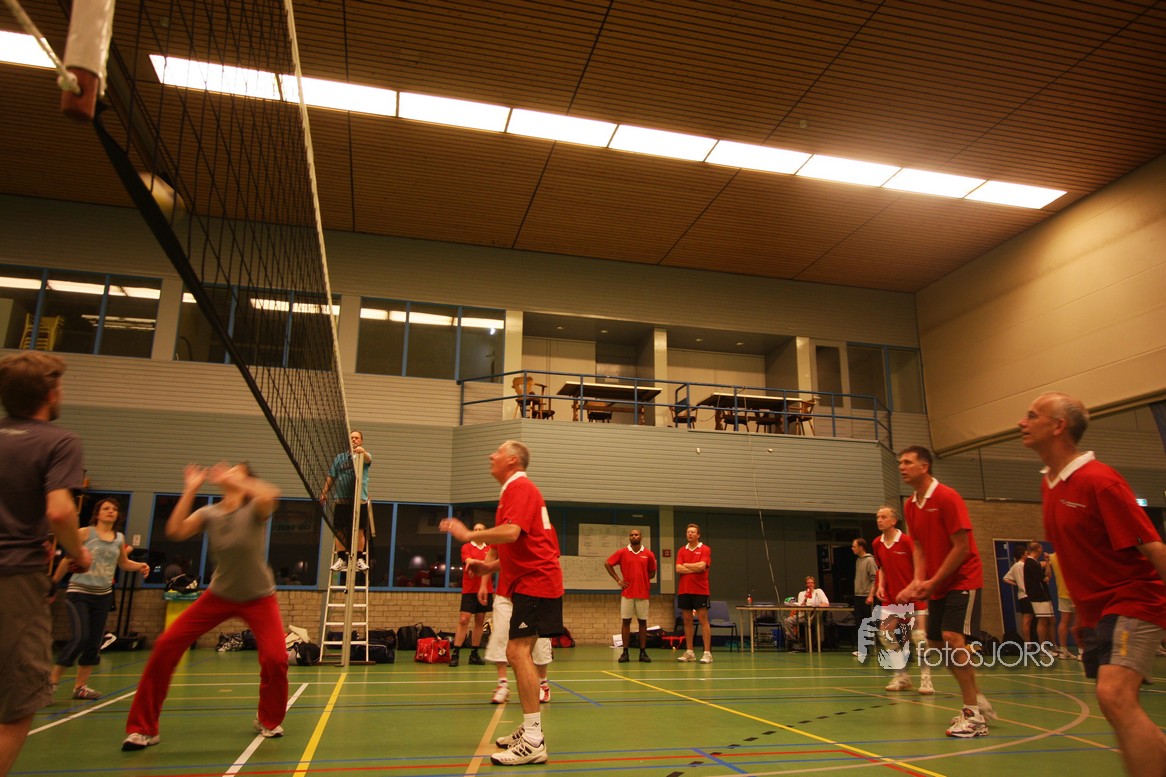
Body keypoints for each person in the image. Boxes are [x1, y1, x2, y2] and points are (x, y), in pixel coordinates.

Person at [1020, 391, 1166, 777]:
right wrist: (1087, 619)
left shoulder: (1100, 481)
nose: (1022, 422)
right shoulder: (1050, 485)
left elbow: (1153, 546)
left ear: (1058, 426)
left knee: (1114, 696)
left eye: (1032, 415)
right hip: (1098, 613)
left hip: (1133, 599)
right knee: (1116, 707)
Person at [122, 462, 285, 751]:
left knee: (276, 659)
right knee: (166, 646)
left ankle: (268, 720)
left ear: (246, 480)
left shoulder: (255, 509)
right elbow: (175, 530)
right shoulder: (210, 513)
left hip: (259, 596)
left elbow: (271, 494)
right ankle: (143, 728)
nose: (228, 471)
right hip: (219, 595)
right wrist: (190, 489)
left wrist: (238, 482)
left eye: (236, 470)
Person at [440, 440, 563, 766]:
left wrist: (469, 535)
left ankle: (534, 740)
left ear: (511, 460)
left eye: (497, 452)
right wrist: (489, 568)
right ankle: (530, 728)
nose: (490, 455)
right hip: (530, 581)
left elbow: (510, 533)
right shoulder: (512, 491)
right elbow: (523, 545)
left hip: (537, 582)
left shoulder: (519, 487)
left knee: (517, 652)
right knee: (517, 652)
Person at [0, 352, 91, 777]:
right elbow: (59, 511)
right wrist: (77, 552)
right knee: (17, 706)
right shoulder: (59, 441)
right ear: (51, 394)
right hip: (14, 577)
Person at [896, 445, 994, 739]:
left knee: (953, 638)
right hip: (938, 584)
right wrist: (918, 580)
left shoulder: (948, 497)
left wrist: (933, 581)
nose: (901, 467)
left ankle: (973, 716)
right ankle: (977, 697)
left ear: (924, 466)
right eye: (900, 462)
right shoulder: (911, 505)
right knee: (937, 644)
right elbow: (918, 547)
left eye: (907, 462)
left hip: (963, 579)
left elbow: (962, 548)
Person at [50, 497, 150, 700]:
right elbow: (67, 560)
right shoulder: (84, 533)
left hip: (103, 596)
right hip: (79, 593)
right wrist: (52, 585)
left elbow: (123, 563)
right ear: (97, 513)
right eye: (106, 508)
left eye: (114, 509)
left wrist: (140, 566)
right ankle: (49, 684)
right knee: (80, 638)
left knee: (94, 643)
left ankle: (80, 687)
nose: (110, 511)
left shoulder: (119, 538)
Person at [870, 505, 933, 694]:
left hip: (914, 597)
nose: (879, 520)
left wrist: (912, 587)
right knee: (885, 635)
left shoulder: (906, 541)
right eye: (877, 517)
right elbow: (882, 568)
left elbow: (920, 567)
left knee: (919, 638)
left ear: (893, 521)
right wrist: (881, 586)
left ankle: (926, 679)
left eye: (883, 517)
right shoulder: (877, 543)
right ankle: (901, 676)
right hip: (891, 599)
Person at [319, 430, 372, 572]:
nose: (354, 440)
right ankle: (342, 559)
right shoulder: (340, 458)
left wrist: (362, 452)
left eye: (357, 438)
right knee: (340, 530)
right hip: (342, 500)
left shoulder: (364, 456)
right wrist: (324, 491)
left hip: (359, 500)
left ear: (361, 440)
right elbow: (332, 476)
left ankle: (359, 559)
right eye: (352, 438)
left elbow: (368, 459)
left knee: (360, 530)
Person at [604, 528, 657, 663]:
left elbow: (652, 572)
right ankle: (625, 652)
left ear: (641, 537)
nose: (634, 536)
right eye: (631, 535)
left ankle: (642, 652)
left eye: (636, 534)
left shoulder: (648, 554)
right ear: (629, 537)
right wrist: (618, 580)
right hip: (627, 593)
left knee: (642, 622)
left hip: (643, 593)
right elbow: (607, 563)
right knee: (626, 622)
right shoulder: (622, 552)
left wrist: (642, 579)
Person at [449, 523, 492, 668]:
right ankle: (456, 653)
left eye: (480, 529)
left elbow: (490, 565)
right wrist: (482, 563)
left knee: (480, 621)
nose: (478, 531)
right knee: (464, 620)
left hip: (485, 589)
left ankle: (474, 654)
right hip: (469, 590)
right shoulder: (466, 547)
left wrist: (478, 563)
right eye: (475, 529)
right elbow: (469, 561)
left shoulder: (489, 549)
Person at [675, 523, 713, 664]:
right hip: (684, 590)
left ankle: (707, 653)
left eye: (693, 532)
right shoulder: (681, 550)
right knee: (687, 621)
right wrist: (694, 568)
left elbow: (702, 566)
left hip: (700, 590)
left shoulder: (705, 549)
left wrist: (686, 565)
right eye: (688, 532)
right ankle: (690, 652)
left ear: (698, 535)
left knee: (703, 621)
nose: (690, 534)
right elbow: (678, 569)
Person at [1047, 550, 1082, 659]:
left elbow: (1048, 574)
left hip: (1062, 592)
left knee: (1064, 621)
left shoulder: (1052, 557)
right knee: (1079, 621)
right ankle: (1081, 651)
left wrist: (1047, 562)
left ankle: (1063, 651)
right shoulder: (1073, 552)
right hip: (1076, 592)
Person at [1022, 541, 1055, 650]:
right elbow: (1045, 579)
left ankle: (1052, 645)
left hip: (1043, 596)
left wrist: (1047, 562)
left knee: (1050, 620)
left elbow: (1048, 575)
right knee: (1042, 621)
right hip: (1039, 597)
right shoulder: (1031, 563)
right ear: (1039, 549)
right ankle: (1043, 647)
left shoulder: (1035, 563)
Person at [783, 575, 829, 650]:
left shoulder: (819, 592)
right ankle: (793, 641)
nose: (810, 584)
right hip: (803, 616)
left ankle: (819, 644)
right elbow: (801, 608)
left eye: (812, 583)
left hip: (815, 616)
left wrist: (817, 605)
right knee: (787, 621)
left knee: (819, 622)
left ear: (814, 584)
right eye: (808, 583)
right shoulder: (801, 593)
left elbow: (826, 604)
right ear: (806, 584)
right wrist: (806, 598)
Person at [851, 538, 877, 656]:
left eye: (854, 546)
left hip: (866, 596)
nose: (852, 548)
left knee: (867, 623)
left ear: (861, 547)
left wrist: (871, 595)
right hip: (858, 595)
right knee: (859, 623)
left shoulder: (870, 560)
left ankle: (867, 649)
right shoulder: (858, 560)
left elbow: (874, 579)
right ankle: (862, 649)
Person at [1001, 545, 1030, 637]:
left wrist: (1017, 583)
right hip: (1028, 595)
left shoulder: (1014, 566)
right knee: (1028, 620)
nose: (1027, 555)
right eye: (1026, 554)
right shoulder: (1025, 565)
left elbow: (1005, 578)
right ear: (1022, 555)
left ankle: (1028, 642)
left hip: (1021, 596)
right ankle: (1029, 642)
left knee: (1026, 620)